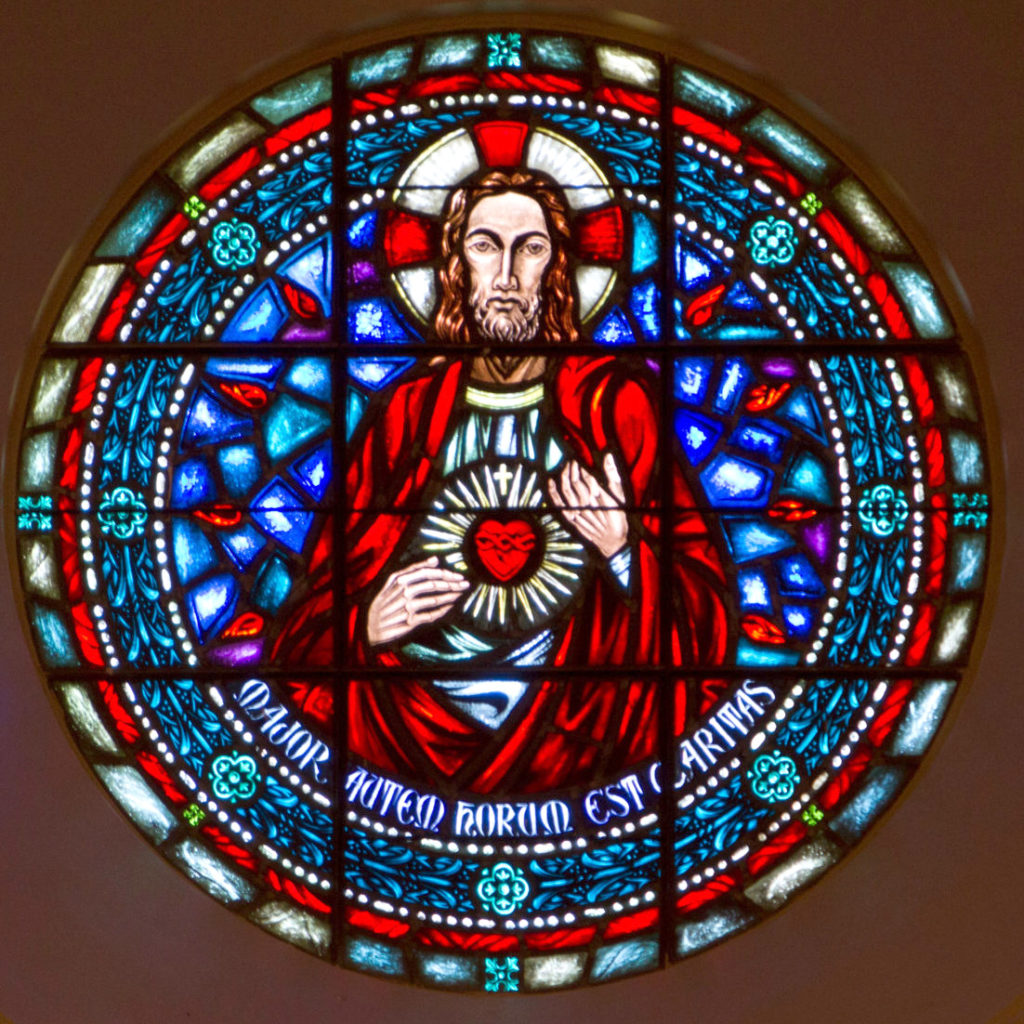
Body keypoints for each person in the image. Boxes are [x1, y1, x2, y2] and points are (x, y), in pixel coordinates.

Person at [274, 168, 729, 794]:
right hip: (401, 724)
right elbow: (308, 617)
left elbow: (707, 621)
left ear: (558, 269)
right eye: (485, 245)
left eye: (532, 248)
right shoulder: (407, 413)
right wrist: (365, 627)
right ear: (454, 264)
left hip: (577, 725)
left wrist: (625, 552)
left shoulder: (614, 406)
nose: (509, 275)